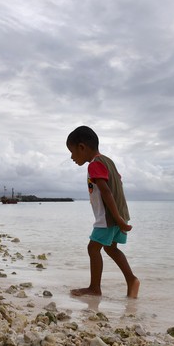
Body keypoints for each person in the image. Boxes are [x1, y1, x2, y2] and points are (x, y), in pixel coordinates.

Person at [66, 126, 140, 298]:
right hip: (119, 214)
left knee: (93, 248)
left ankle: (94, 288)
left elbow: (106, 191)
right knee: (111, 249)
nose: (71, 157)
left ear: (82, 147)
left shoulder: (94, 165)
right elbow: (118, 183)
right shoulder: (108, 161)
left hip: (109, 217)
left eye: (72, 151)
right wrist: (122, 218)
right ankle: (131, 280)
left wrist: (117, 219)